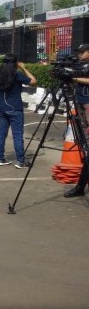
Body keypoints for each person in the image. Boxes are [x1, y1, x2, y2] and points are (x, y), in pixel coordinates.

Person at [0, 54, 37, 169]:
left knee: (1, 134)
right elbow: (33, 81)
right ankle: (20, 161)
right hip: (14, 108)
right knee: (17, 135)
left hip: (1, 108)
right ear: (16, 63)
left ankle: (0, 158)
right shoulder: (16, 75)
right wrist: (24, 68)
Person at [63, 44, 89, 198]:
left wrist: (74, 77)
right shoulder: (80, 65)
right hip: (80, 103)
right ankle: (80, 186)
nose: (79, 55)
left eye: (82, 52)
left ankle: (80, 186)